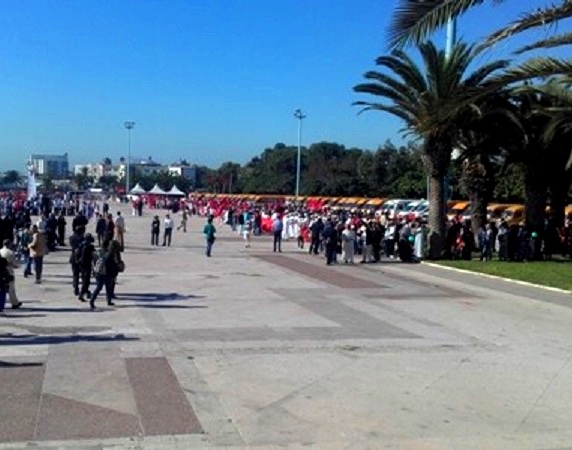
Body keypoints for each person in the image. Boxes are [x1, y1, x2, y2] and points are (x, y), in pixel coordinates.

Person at [89, 239, 114, 309]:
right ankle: (108, 300)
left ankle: (92, 300)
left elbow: (94, 262)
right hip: (107, 272)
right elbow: (111, 264)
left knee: (99, 287)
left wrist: (94, 270)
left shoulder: (96, 252)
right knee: (108, 287)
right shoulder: (109, 253)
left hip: (98, 272)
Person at [0, 240, 22, 309]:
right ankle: (14, 303)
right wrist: (18, 265)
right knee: (11, 288)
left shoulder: (0, 251)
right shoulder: (10, 252)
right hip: (8, 271)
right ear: (9, 244)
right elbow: (15, 264)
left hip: (1, 271)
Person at [78, 234, 95, 302]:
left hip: (81, 264)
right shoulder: (90, 247)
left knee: (84, 280)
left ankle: (87, 292)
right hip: (87, 264)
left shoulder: (81, 245)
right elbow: (94, 255)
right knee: (86, 281)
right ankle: (81, 294)